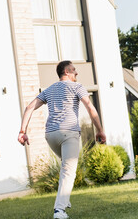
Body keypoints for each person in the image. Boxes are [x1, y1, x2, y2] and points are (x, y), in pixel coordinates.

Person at [17, 60, 106, 219]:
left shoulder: (49, 90)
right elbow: (90, 107)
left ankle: (63, 199)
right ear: (66, 72)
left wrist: (22, 131)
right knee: (68, 171)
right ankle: (59, 210)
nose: (76, 73)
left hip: (51, 135)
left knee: (66, 167)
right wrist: (99, 130)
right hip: (69, 132)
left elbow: (29, 107)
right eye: (73, 70)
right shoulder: (77, 87)